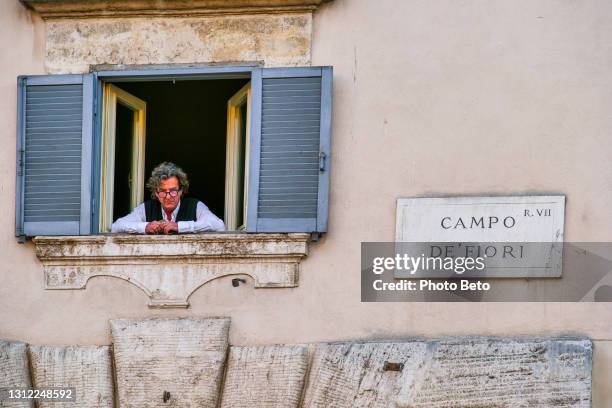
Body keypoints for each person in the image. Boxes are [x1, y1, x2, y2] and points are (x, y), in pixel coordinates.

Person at [111, 162, 225, 234]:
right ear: (156, 193)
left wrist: (179, 226)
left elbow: (219, 225)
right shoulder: (146, 208)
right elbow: (116, 226)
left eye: (173, 191)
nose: (168, 196)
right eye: (163, 191)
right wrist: (145, 227)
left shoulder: (195, 206)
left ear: (181, 191)